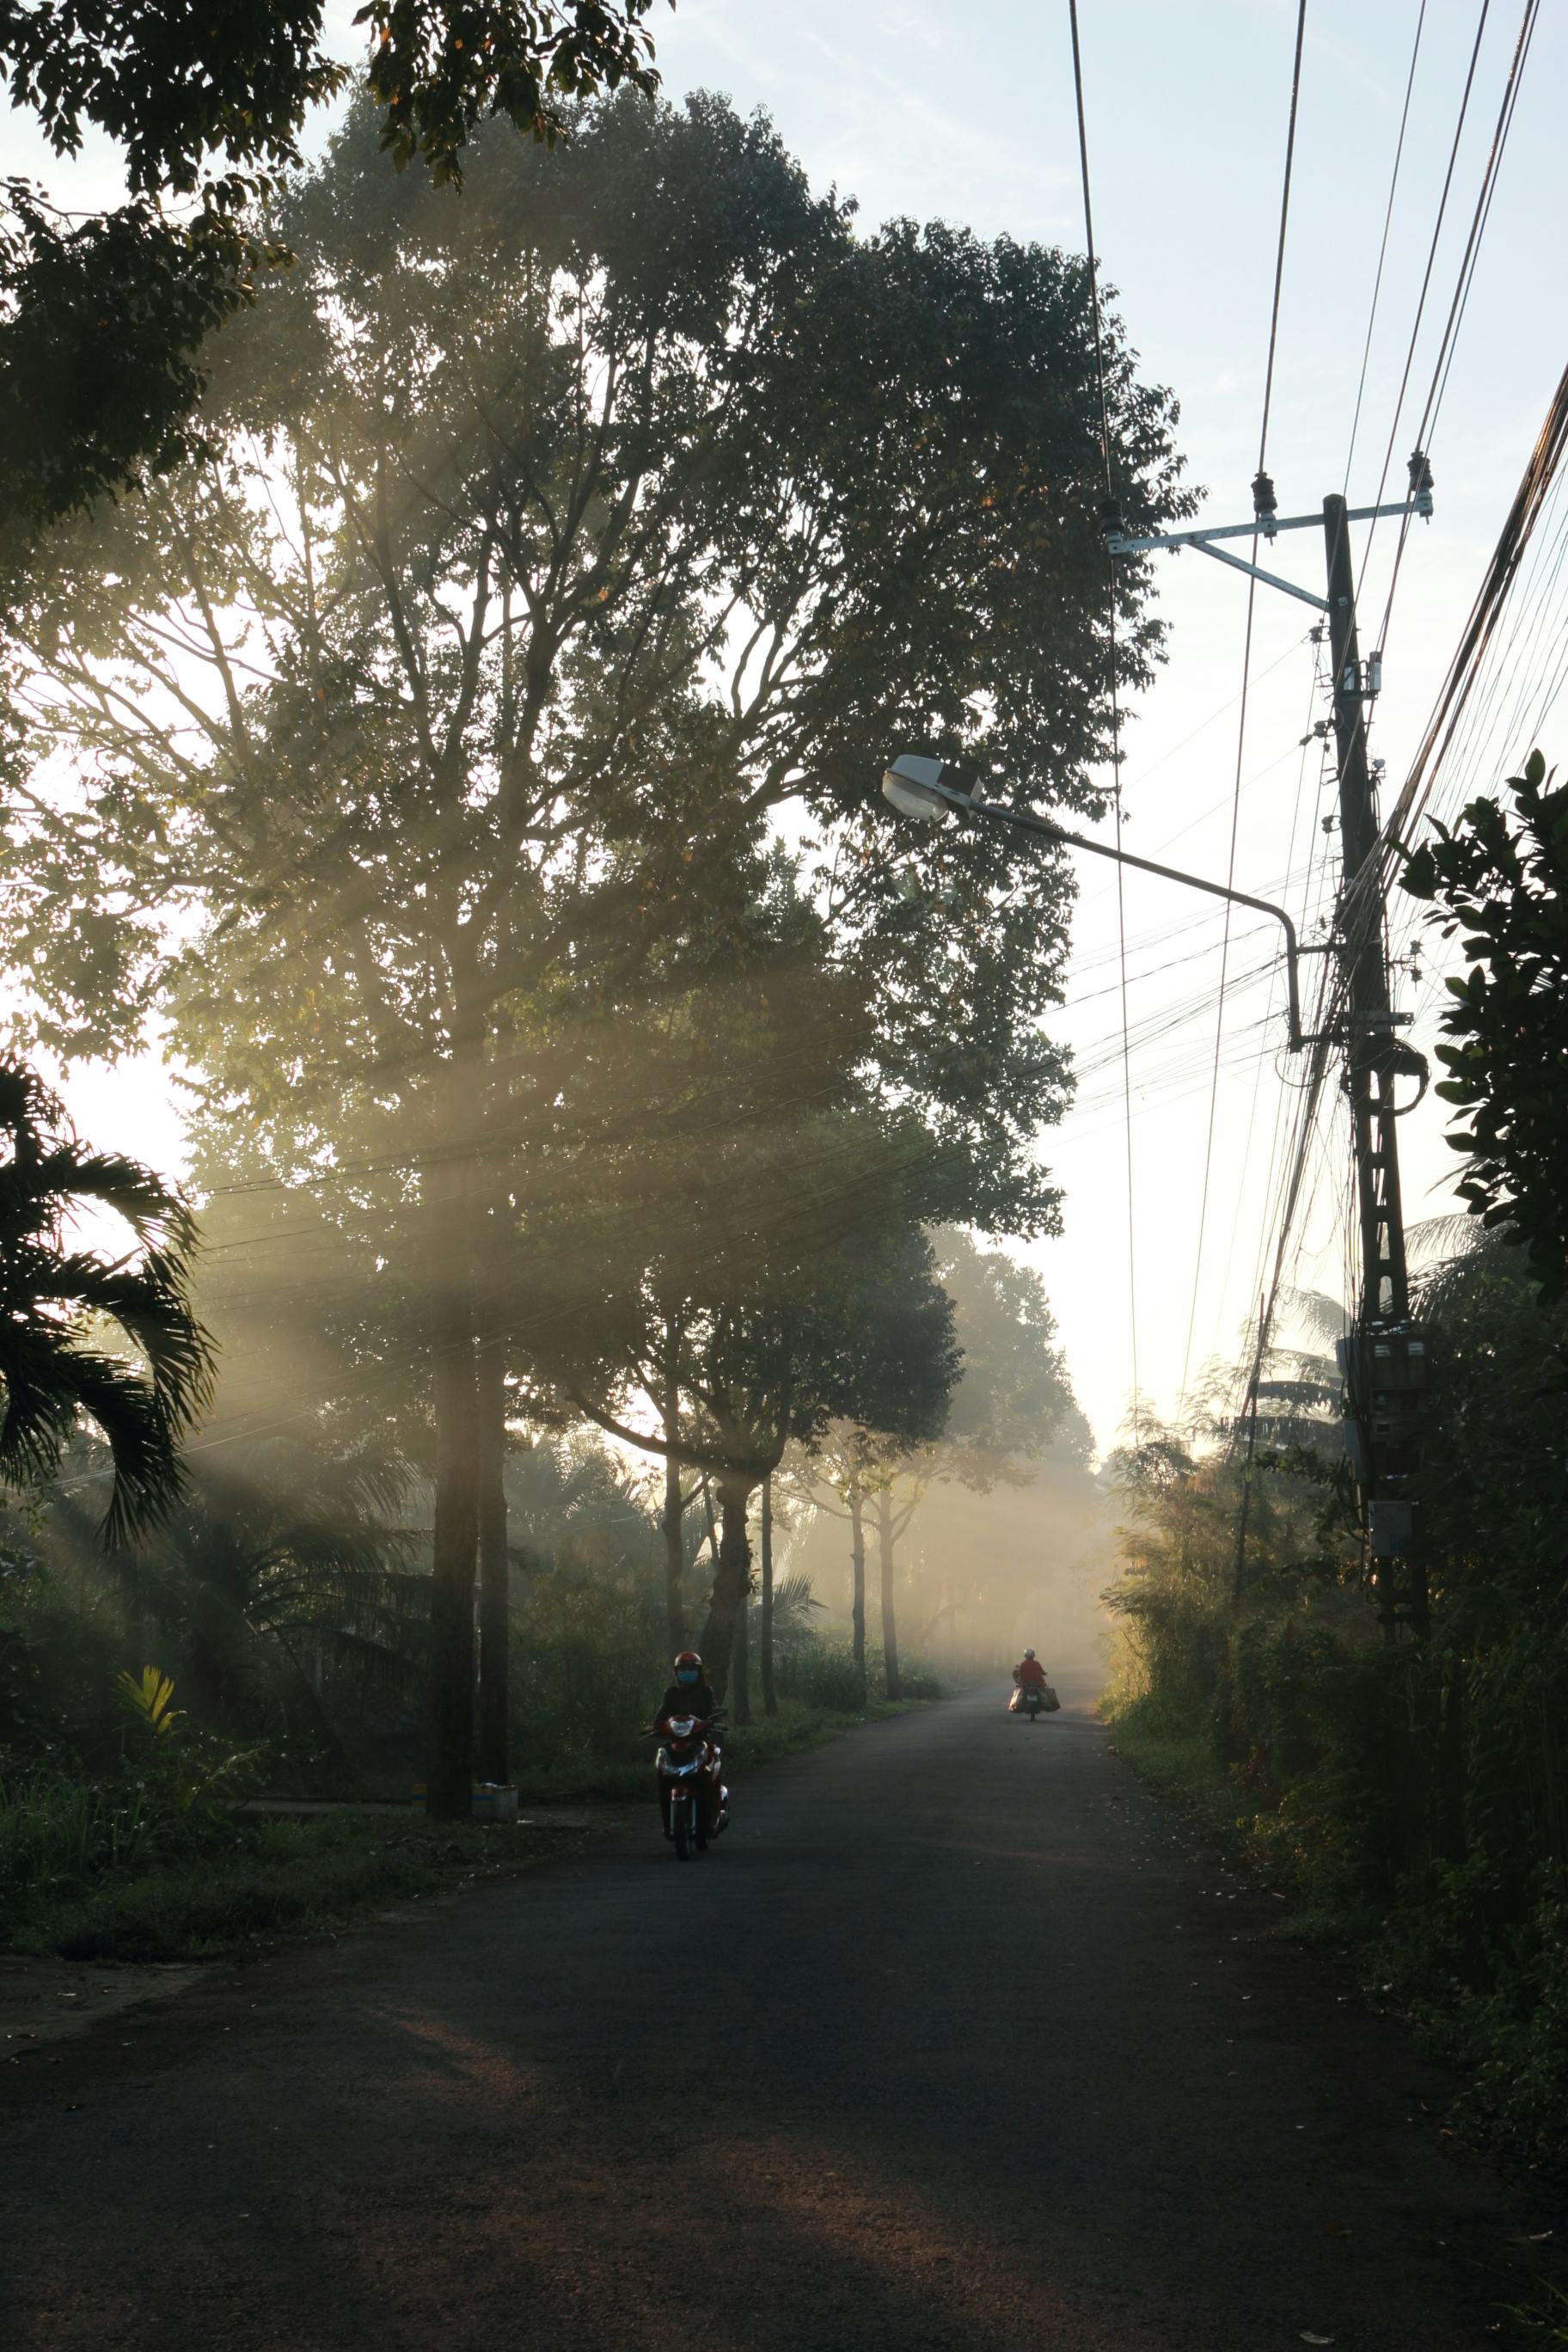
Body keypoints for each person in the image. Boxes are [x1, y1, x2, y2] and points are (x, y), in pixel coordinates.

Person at [658, 1648, 719, 1725]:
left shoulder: (706, 1693)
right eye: (683, 1669)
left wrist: (717, 1723)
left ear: (699, 1672)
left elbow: (714, 1712)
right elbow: (662, 1714)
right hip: (676, 1734)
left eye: (691, 1669)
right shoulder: (671, 1694)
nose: (687, 1672)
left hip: (701, 1735)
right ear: (677, 1673)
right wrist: (654, 1726)